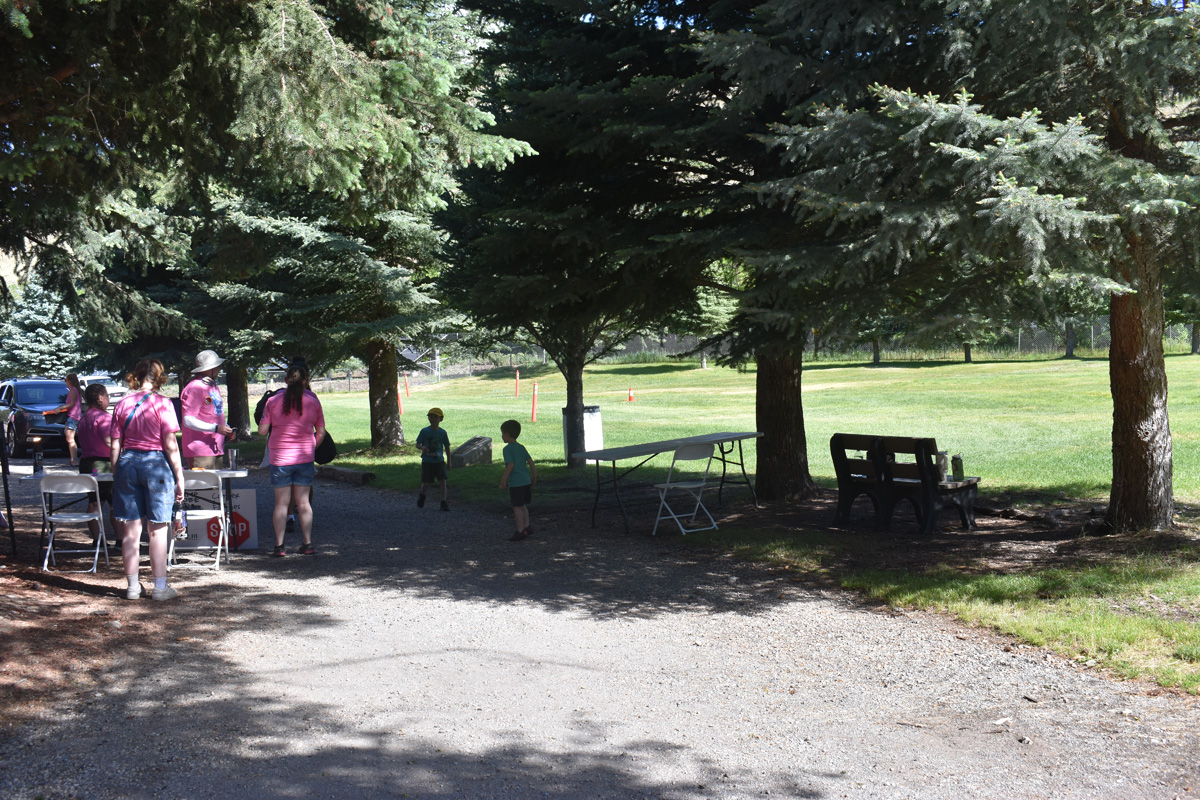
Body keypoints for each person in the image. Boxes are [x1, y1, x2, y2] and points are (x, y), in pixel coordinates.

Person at [109, 359, 185, 601]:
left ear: (136, 376)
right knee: (157, 530)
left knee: (130, 531)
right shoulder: (163, 403)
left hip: (127, 463)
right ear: (159, 377)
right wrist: (179, 477)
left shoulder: (122, 404)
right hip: (156, 465)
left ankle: (132, 587)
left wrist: (116, 471)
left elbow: (115, 444)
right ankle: (160, 588)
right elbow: (171, 444)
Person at [258, 359, 325, 557]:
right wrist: (311, 446)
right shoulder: (313, 400)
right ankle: (307, 543)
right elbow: (321, 431)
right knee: (303, 503)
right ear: (305, 381)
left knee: (281, 503)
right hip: (304, 457)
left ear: (286, 380)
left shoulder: (273, 401)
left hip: (280, 458)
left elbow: (262, 431)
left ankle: (279, 546)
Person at [181, 349, 234, 469]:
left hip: (216, 447)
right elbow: (188, 420)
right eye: (217, 366)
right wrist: (216, 428)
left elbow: (215, 414)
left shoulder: (211, 386)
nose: (220, 368)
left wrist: (227, 428)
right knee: (204, 482)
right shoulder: (195, 388)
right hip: (200, 450)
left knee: (217, 481)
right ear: (209, 368)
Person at [77, 383, 114, 544]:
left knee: (94, 502)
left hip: (86, 462)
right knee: (115, 503)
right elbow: (109, 441)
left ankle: (97, 540)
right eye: (107, 396)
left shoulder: (84, 418)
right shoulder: (104, 417)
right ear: (100, 398)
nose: (108, 399)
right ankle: (120, 540)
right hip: (104, 463)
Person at [499, 419, 537, 541]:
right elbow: (531, 462)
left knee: (516, 506)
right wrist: (534, 475)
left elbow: (510, 464)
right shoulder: (521, 447)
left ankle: (520, 530)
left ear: (507, 434)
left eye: (502, 433)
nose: (502, 436)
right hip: (526, 481)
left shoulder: (507, 449)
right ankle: (527, 526)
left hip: (516, 482)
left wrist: (503, 479)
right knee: (522, 505)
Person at [416, 407, 451, 511]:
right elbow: (417, 444)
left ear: (441, 419)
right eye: (431, 417)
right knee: (427, 482)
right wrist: (422, 447)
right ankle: (422, 494)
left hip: (439, 461)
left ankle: (443, 502)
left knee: (442, 480)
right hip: (427, 461)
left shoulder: (443, 433)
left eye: (436, 417)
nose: (433, 419)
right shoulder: (424, 431)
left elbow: (447, 446)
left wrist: (449, 462)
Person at [47, 373, 83, 465]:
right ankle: (74, 459)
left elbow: (71, 404)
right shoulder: (76, 390)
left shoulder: (73, 390)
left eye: (66, 380)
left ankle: (74, 460)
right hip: (76, 416)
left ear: (70, 381)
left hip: (72, 417)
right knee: (75, 439)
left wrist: (61, 408)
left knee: (70, 439)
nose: (65, 382)